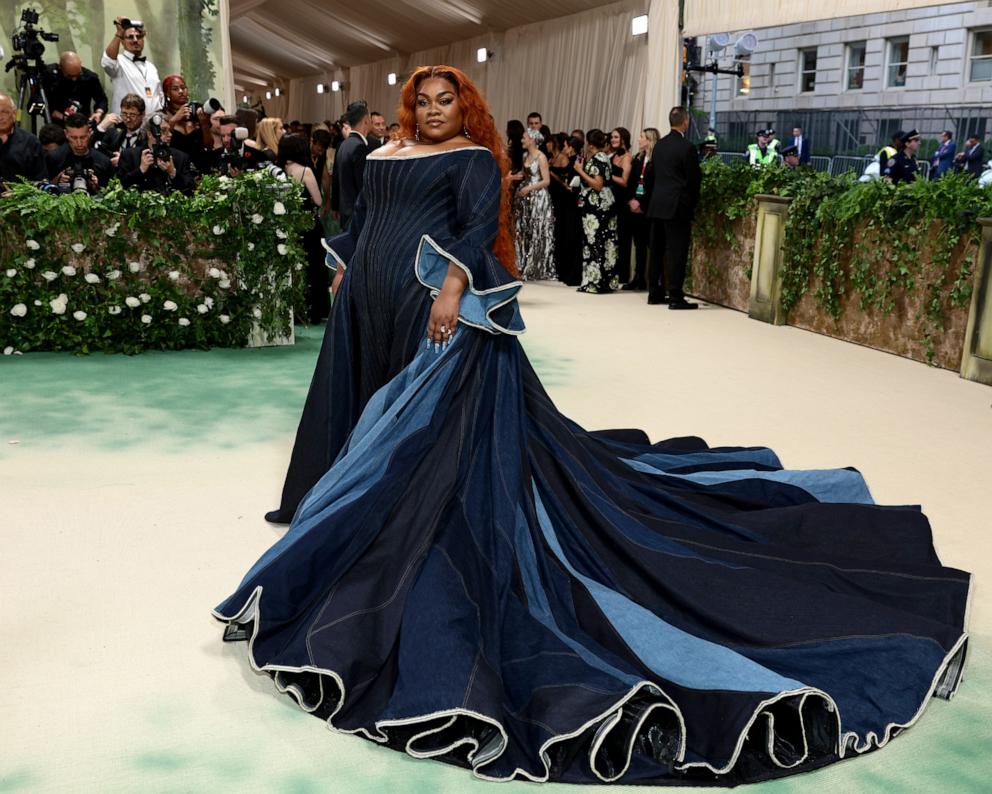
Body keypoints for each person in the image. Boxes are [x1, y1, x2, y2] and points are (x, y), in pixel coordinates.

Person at [216, 64, 969, 788]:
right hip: (367, 300)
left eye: (448, 98)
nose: (436, 108)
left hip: (429, 306)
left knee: (422, 431)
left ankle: (394, 518)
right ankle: (354, 506)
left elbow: (476, 229)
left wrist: (451, 292)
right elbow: (365, 216)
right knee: (366, 413)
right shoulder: (382, 151)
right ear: (410, 104)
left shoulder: (475, 158)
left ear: (464, 104)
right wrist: (345, 269)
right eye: (427, 98)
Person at [648, 106, 701, 309]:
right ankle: (676, 296)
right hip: (677, 207)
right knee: (677, 252)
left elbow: (652, 174)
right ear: (685, 122)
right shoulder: (687, 147)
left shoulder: (659, 145)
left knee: (657, 251)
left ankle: (655, 293)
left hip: (657, 204)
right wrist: (690, 205)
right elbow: (693, 181)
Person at [279, 132, 327, 323]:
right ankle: (314, 310)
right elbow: (318, 199)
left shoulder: (279, 170)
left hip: (289, 226)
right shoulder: (305, 171)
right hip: (309, 226)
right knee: (313, 269)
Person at [575, 129, 619, 293]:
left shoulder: (597, 160)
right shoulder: (605, 158)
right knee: (606, 241)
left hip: (597, 206)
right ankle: (606, 280)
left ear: (590, 144)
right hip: (606, 204)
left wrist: (580, 171)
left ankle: (595, 282)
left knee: (595, 241)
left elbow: (598, 185)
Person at [101, 17, 161, 123]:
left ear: (143, 40)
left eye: (138, 37)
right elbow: (108, 62)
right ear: (122, 42)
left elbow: (158, 95)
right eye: (130, 37)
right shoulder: (118, 62)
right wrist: (119, 33)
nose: (135, 40)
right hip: (126, 126)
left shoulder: (151, 67)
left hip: (152, 126)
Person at [514, 128, 555, 280]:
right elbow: (525, 174)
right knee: (523, 230)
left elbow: (546, 180)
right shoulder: (525, 155)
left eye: (524, 138)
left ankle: (536, 265)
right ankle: (523, 263)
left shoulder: (541, 157)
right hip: (525, 196)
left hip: (538, 197)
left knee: (537, 230)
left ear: (532, 139)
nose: (522, 140)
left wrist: (529, 188)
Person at [117, 114, 194, 194]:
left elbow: (191, 188)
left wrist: (173, 172)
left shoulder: (181, 157)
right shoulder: (129, 155)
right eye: (164, 131)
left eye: (170, 130)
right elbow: (119, 186)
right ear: (150, 134)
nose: (170, 135)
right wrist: (140, 170)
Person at [623, 127, 659, 291]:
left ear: (650, 140)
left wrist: (641, 203)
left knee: (650, 244)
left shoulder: (657, 160)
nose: (639, 139)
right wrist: (631, 200)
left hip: (647, 208)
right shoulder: (638, 158)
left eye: (642, 137)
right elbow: (631, 182)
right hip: (634, 205)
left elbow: (654, 186)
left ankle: (652, 280)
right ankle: (638, 277)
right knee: (638, 244)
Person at [44, 113, 113, 191]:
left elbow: (110, 195)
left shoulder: (103, 162)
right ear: (66, 134)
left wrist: (97, 187)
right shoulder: (53, 158)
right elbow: (42, 188)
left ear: (90, 133)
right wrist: (57, 181)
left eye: (83, 137)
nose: (79, 143)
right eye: (73, 138)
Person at [160, 74, 214, 173]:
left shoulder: (198, 111)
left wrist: (204, 124)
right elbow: (160, 143)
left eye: (183, 88)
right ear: (167, 93)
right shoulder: (161, 115)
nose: (181, 92)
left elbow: (210, 145)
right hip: (175, 168)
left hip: (201, 167)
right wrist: (174, 120)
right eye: (175, 89)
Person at [548, 133, 581, 286]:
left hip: (571, 202)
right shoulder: (573, 161)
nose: (565, 149)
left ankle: (570, 272)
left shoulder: (577, 161)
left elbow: (569, 183)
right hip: (566, 201)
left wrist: (554, 175)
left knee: (570, 235)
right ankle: (563, 270)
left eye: (567, 146)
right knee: (563, 235)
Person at [43, 52, 109, 125]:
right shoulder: (49, 75)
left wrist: (99, 112)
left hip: (82, 124)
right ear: (60, 67)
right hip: (56, 125)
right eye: (70, 76)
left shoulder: (90, 77)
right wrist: (60, 116)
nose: (74, 79)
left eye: (78, 75)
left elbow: (101, 99)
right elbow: (41, 103)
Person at [335, 100, 371, 230]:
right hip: (356, 215)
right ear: (366, 120)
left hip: (346, 211)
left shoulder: (345, 144)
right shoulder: (358, 147)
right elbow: (363, 187)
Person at [0, 92, 47, 188]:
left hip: (22, 200)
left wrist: (20, 193)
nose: (0, 117)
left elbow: (40, 180)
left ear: (14, 114)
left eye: (4, 112)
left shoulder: (31, 142)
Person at [609, 128, 633, 286]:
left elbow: (624, 181)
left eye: (616, 137)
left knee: (623, 239)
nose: (612, 139)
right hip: (611, 201)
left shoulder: (627, 157)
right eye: (611, 137)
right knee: (613, 239)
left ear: (623, 139)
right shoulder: (614, 156)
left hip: (622, 202)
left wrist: (607, 175)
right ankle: (613, 272)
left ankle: (623, 275)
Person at [92, 93, 146, 163]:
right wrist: (101, 127)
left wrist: (123, 161)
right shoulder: (114, 132)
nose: (128, 119)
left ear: (142, 114)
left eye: (132, 115)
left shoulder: (147, 136)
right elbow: (93, 149)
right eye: (124, 114)